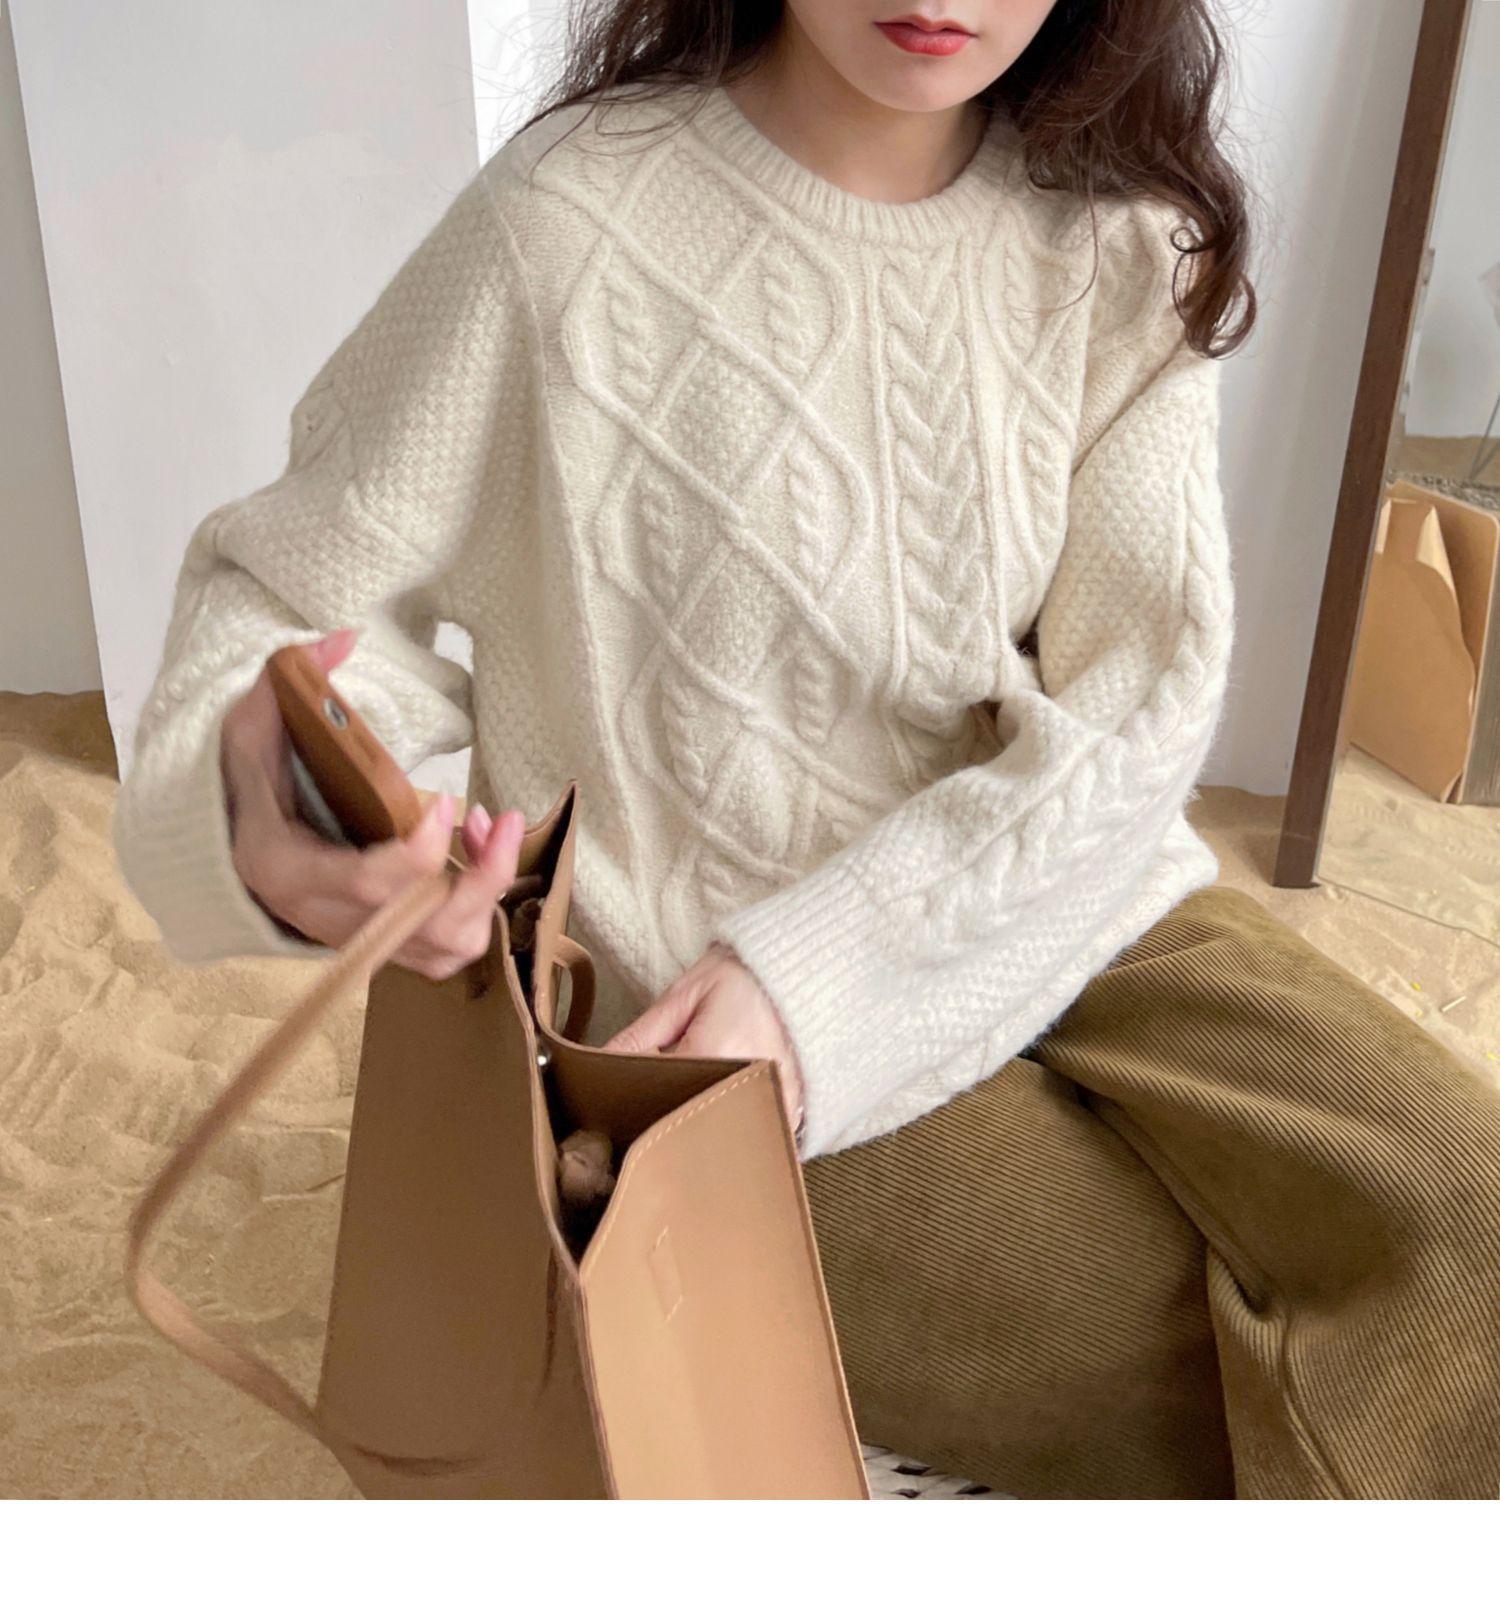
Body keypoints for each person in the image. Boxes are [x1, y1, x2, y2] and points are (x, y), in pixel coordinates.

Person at [113, 1, 1500, 1498]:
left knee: (1469, 1227)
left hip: (1069, 898)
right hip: (700, 1036)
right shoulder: (565, 223)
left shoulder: (1120, 238)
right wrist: (287, 812)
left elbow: (1139, 699)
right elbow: (280, 602)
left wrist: (834, 965)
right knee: (1229, 1355)